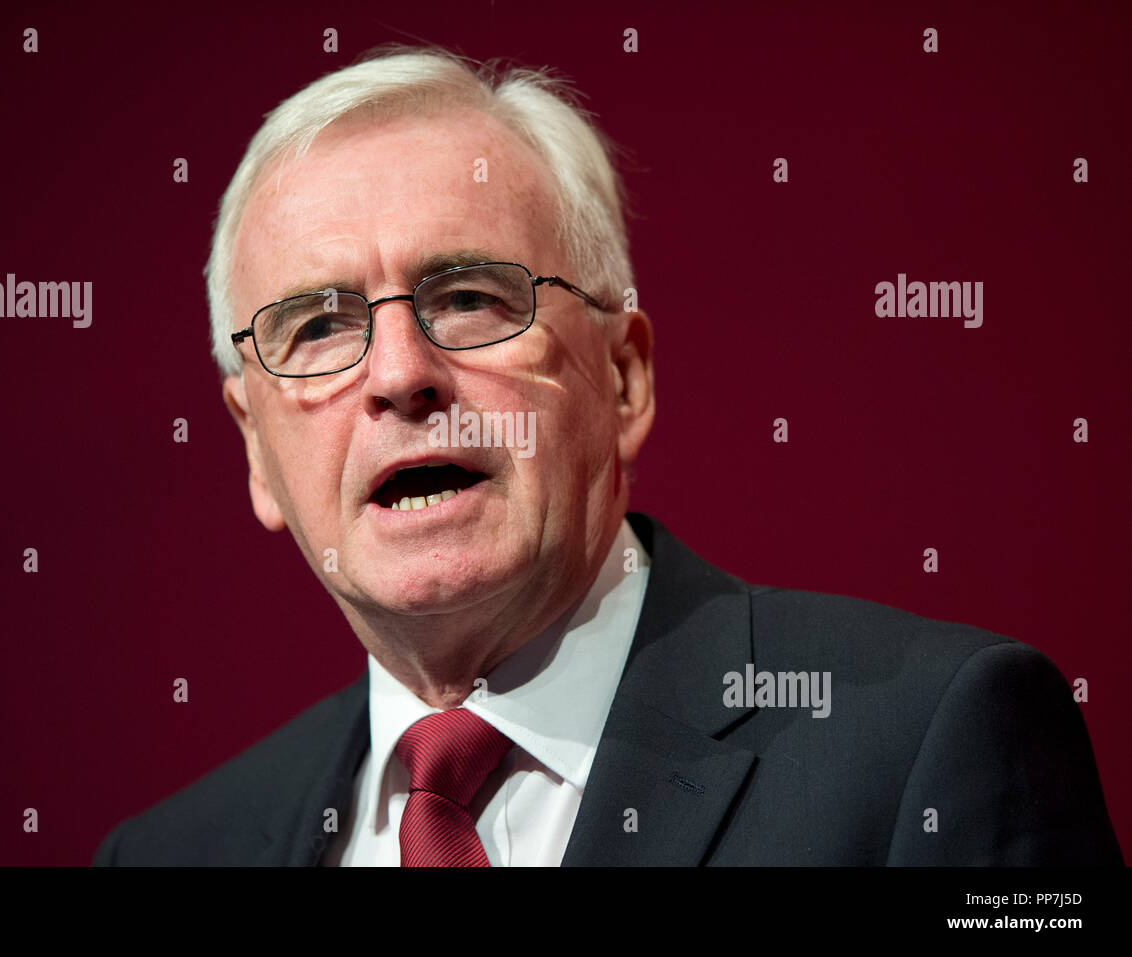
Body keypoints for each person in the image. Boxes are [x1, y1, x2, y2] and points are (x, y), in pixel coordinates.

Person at [94, 45, 1122, 866]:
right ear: (257, 456)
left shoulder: (926, 745)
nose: (399, 374)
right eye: (317, 328)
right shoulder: (169, 852)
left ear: (623, 379)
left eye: (468, 298)